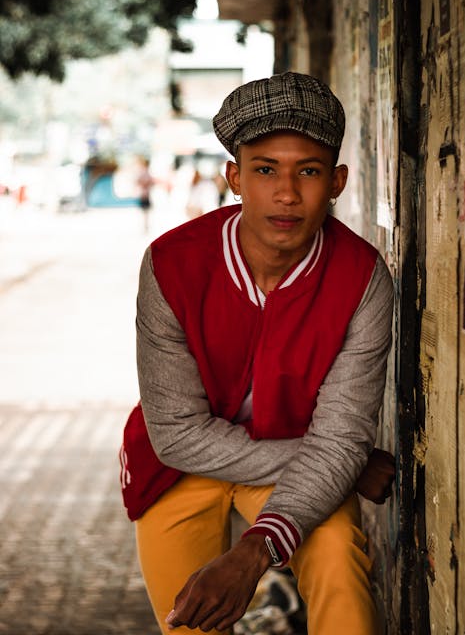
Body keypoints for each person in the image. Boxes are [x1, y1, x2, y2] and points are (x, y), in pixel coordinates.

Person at [119, 71, 395, 634]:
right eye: (265, 169)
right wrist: (345, 463)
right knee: (191, 618)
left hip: (291, 475)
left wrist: (255, 551)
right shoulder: (173, 265)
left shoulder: (362, 278)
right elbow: (176, 434)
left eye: (309, 171)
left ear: (337, 181)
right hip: (178, 468)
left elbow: (339, 438)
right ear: (234, 176)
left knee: (339, 559)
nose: (287, 193)